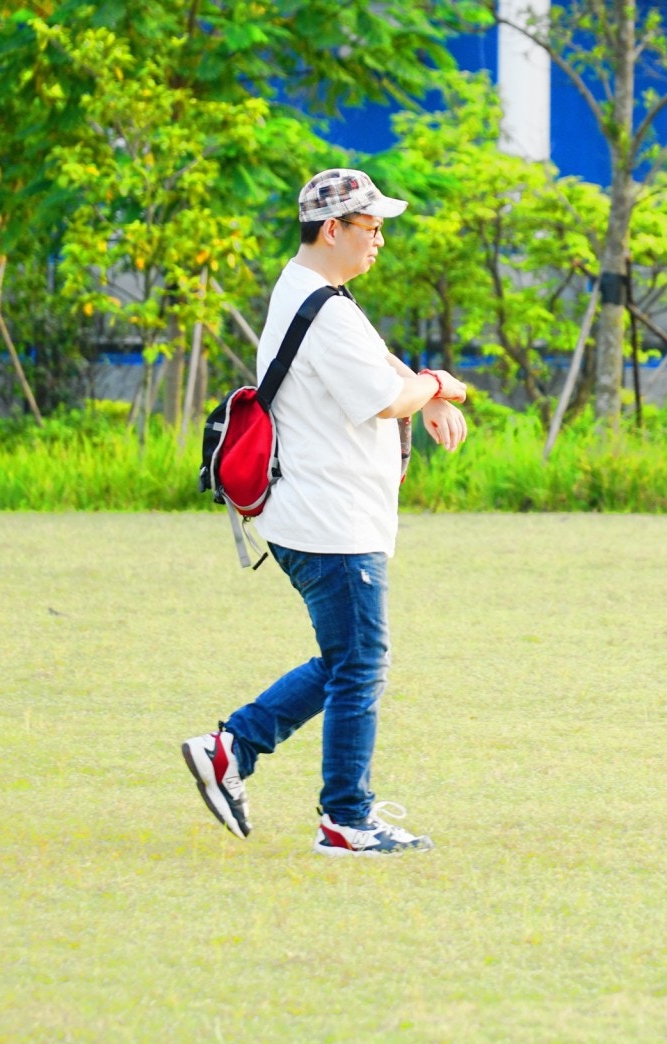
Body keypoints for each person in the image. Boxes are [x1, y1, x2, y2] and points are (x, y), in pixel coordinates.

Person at [181, 167, 469, 856]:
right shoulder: (325, 306)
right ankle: (345, 817)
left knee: (348, 658)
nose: (379, 243)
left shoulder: (307, 290)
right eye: (370, 229)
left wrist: (418, 389)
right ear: (332, 229)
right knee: (361, 661)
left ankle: (231, 749)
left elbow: (376, 365)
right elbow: (381, 395)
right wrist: (440, 385)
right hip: (330, 519)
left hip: (315, 513)